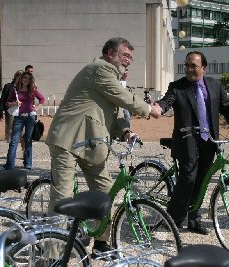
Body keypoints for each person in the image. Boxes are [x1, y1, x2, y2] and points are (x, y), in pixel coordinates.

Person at [45, 37, 161, 255]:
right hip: (68, 140)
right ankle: (52, 256)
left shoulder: (111, 78)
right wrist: (149, 109)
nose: (129, 61)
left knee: (105, 191)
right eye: (126, 56)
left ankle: (101, 242)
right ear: (110, 53)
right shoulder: (98, 69)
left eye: (131, 58)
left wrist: (125, 131)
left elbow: (116, 110)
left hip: (91, 143)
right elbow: (123, 97)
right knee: (62, 198)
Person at [154, 51, 229, 235]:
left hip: (209, 141)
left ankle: (194, 220)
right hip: (187, 141)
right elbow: (167, 101)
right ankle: (173, 220)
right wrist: (159, 107)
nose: (189, 69)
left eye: (193, 65)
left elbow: (227, 106)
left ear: (203, 67)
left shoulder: (215, 85)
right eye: (187, 65)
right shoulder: (177, 87)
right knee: (188, 179)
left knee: (201, 181)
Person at [0, 72, 45, 170]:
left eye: (28, 79)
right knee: (14, 141)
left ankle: (28, 164)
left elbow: (42, 99)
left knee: (28, 140)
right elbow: (7, 103)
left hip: (30, 117)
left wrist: (38, 107)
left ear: (30, 80)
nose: (26, 80)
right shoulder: (15, 90)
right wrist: (14, 103)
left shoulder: (32, 90)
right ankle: (9, 165)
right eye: (25, 78)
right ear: (21, 79)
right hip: (18, 118)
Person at [0, 70, 23, 142]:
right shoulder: (8, 86)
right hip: (10, 110)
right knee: (10, 128)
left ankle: (19, 141)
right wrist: (0, 113)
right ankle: (9, 141)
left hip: (20, 110)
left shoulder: (23, 87)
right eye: (20, 77)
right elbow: (2, 99)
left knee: (21, 127)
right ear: (16, 77)